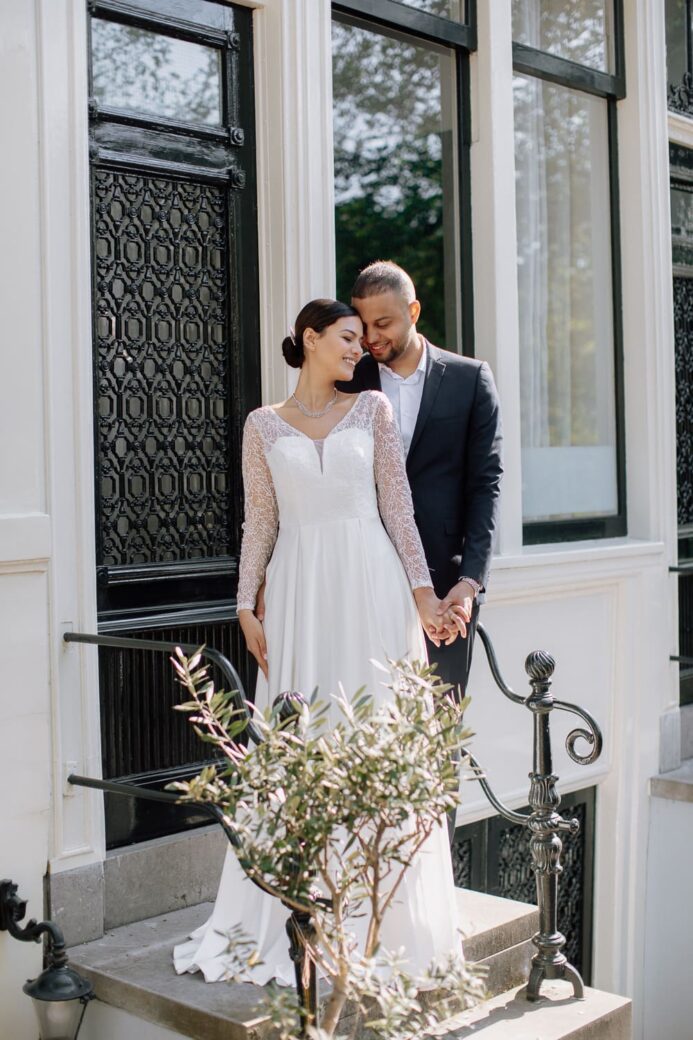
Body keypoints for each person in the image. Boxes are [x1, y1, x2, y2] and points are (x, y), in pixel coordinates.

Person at [174, 298, 461, 985]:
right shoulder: (261, 426)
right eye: (345, 337)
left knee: (369, 729)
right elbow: (260, 521)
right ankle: (291, 914)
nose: (359, 349)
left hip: (372, 588)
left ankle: (381, 917)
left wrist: (422, 593)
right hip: (298, 590)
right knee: (304, 735)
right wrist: (244, 604)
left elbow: (398, 507)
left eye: (361, 339)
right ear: (309, 339)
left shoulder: (373, 413)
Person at [340, 261, 503, 700]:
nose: (371, 337)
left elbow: (486, 485)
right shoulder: (346, 381)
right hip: (361, 574)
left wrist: (469, 583)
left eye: (383, 323)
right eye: (364, 324)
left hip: (445, 588)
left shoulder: (471, 379)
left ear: (413, 311)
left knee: (438, 728)